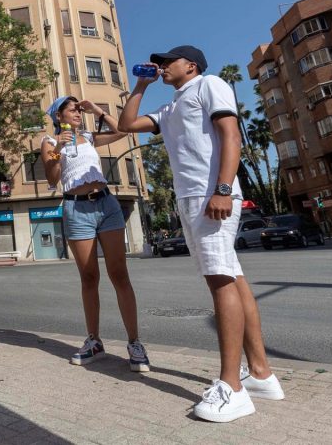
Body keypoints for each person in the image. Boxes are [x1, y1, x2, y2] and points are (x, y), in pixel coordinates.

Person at [118, 45, 284, 422]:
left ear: (189, 65)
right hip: (190, 198)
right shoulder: (170, 106)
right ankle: (261, 373)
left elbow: (231, 136)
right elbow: (126, 125)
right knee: (233, 278)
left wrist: (223, 190)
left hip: (212, 195)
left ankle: (232, 388)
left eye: (167, 62)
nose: (161, 67)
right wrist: (141, 85)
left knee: (220, 282)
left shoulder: (210, 84)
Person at [42, 95, 150, 372]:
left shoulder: (89, 137)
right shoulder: (51, 142)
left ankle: (135, 343)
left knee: (119, 274)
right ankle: (94, 340)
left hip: (106, 204)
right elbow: (52, 177)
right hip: (76, 210)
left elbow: (122, 131)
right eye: (72, 110)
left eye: (80, 109)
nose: (78, 113)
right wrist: (58, 151)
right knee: (89, 277)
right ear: (59, 116)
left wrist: (98, 110)